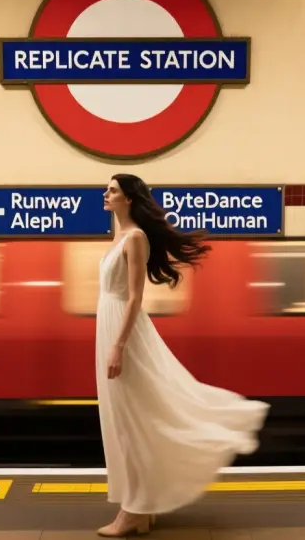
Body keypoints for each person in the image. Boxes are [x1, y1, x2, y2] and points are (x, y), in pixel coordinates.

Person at [95, 173, 270, 537]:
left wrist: (118, 344)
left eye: (112, 190)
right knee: (124, 418)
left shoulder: (136, 238)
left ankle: (133, 511)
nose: (105, 194)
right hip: (110, 327)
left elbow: (134, 298)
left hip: (122, 333)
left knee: (130, 421)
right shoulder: (118, 237)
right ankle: (143, 509)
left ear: (128, 199)